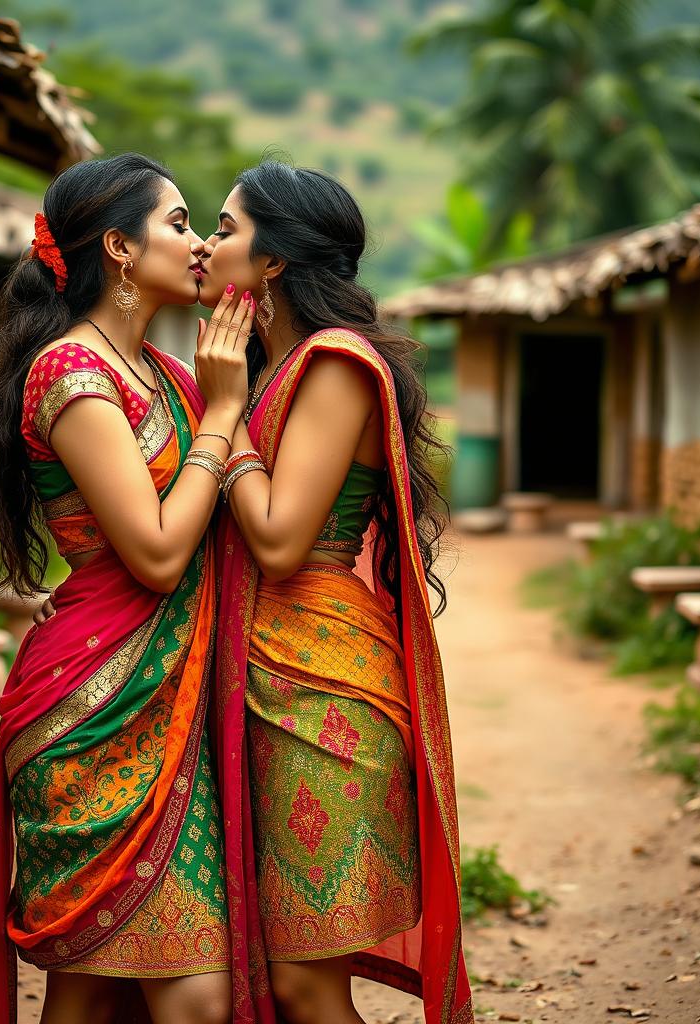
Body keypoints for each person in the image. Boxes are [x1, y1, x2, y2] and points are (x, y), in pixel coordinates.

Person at [0, 153, 253, 1024]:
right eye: (178, 223)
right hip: (92, 713)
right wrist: (220, 413)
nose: (200, 242)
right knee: (189, 998)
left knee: (91, 996)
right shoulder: (72, 377)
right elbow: (161, 556)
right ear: (120, 250)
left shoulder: (161, 376)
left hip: (161, 699)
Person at [198, 161, 474, 1024]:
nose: (207, 245)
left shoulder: (336, 366)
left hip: (323, 696)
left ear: (273, 261)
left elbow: (280, 540)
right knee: (284, 981)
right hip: (260, 681)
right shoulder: (267, 367)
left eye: (225, 227)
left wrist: (224, 416)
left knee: (307, 985)